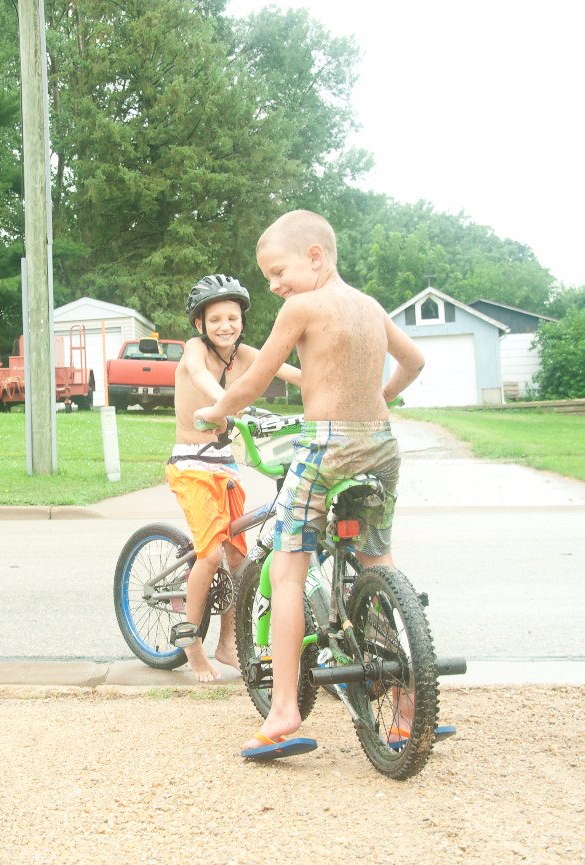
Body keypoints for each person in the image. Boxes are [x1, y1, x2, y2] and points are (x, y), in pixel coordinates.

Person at [194, 210, 425, 759]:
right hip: (382, 444)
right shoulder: (370, 306)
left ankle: (283, 710)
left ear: (315, 257)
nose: (274, 286)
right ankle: (407, 704)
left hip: (327, 448)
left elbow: (253, 382)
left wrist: (217, 411)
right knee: (377, 560)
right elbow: (414, 361)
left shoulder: (302, 308)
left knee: (287, 570)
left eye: (278, 272)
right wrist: (378, 399)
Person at [168, 274, 301, 683]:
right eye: (215, 319)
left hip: (226, 465)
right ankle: (191, 644)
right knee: (210, 557)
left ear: (242, 321)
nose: (225, 326)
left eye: (232, 318)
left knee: (239, 560)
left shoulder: (244, 355)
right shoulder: (195, 349)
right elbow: (198, 375)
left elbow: (286, 370)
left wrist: (341, 387)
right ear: (200, 324)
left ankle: (227, 643)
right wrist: (224, 402)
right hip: (191, 465)